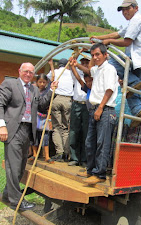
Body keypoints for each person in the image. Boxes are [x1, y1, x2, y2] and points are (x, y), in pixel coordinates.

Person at [0, 62, 58, 210]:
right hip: (12, 130)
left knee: (21, 167)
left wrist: (51, 90)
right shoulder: (10, 84)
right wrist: (1, 125)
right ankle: (16, 201)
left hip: (27, 131)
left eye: (31, 72)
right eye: (26, 71)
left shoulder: (34, 89)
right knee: (13, 166)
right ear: (20, 71)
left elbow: (41, 105)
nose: (28, 74)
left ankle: (8, 194)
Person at [91, 0, 141, 124]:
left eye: (128, 9)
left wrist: (108, 41)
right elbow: (117, 34)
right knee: (129, 87)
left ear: (136, 8)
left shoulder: (137, 20)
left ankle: (134, 82)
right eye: (123, 10)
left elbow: (126, 42)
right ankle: (138, 109)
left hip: (140, 58)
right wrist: (99, 38)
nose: (125, 12)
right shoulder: (133, 23)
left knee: (113, 63)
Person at [77, 43, 118, 185]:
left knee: (102, 142)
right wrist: (75, 65)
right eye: (93, 55)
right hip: (96, 109)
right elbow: (88, 70)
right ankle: (91, 170)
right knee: (90, 142)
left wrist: (100, 107)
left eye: (98, 54)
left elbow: (109, 90)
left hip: (105, 109)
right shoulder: (98, 69)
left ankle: (100, 174)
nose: (95, 57)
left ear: (105, 55)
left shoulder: (109, 69)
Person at [47, 58, 74, 162]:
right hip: (68, 101)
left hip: (57, 99)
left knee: (57, 127)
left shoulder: (56, 72)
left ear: (59, 65)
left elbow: (51, 78)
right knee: (65, 127)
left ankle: (59, 152)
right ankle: (67, 153)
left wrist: (51, 65)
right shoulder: (71, 73)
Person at [68, 57, 90, 167]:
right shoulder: (76, 73)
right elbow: (72, 69)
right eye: (83, 62)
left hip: (87, 105)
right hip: (76, 103)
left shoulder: (92, 74)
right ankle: (74, 157)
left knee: (86, 132)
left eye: (87, 62)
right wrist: (73, 63)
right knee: (74, 131)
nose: (85, 64)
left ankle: (84, 159)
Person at [29, 74, 53, 163]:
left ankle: (46, 156)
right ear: (37, 82)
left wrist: (51, 65)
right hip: (35, 116)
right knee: (34, 135)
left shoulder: (47, 91)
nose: (42, 84)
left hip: (44, 116)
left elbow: (53, 80)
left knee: (45, 136)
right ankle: (34, 154)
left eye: (44, 82)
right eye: (40, 82)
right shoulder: (34, 91)